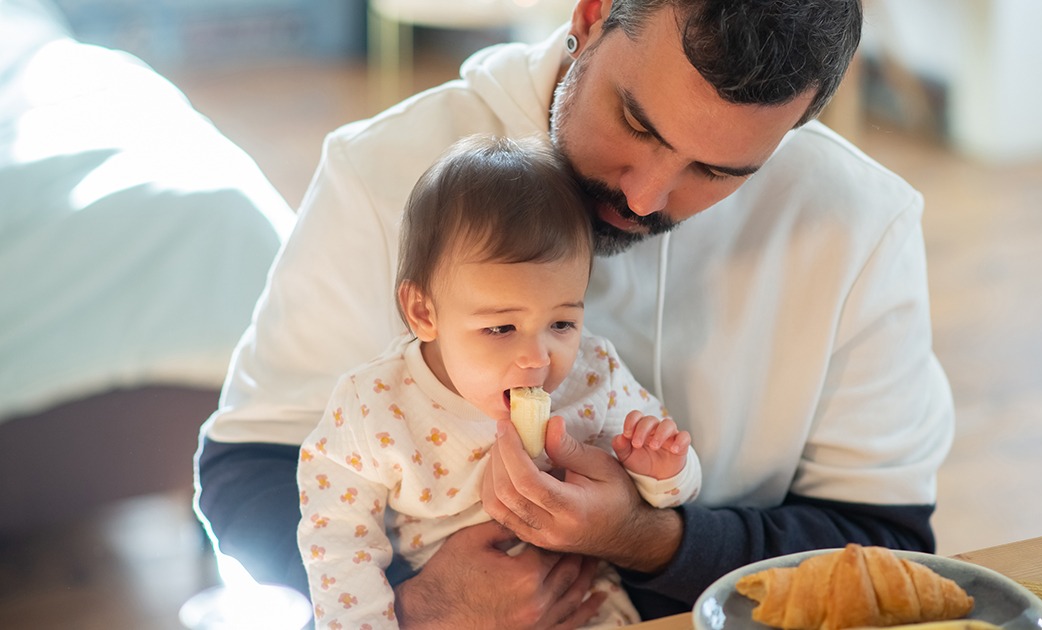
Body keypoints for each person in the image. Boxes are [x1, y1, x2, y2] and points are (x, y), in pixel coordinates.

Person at [196, 0, 955, 626]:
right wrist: (418, 604)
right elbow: (245, 471)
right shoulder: (378, 175)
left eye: (717, 171)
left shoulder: (861, 226)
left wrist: (651, 539)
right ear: (592, 16)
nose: (645, 197)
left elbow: (886, 546)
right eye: (637, 124)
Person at [297, 133, 701, 629]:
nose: (537, 359)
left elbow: (675, 491)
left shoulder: (596, 372)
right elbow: (336, 541)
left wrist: (662, 470)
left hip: (594, 611)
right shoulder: (374, 405)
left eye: (562, 324)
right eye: (501, 328)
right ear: (424, 312)